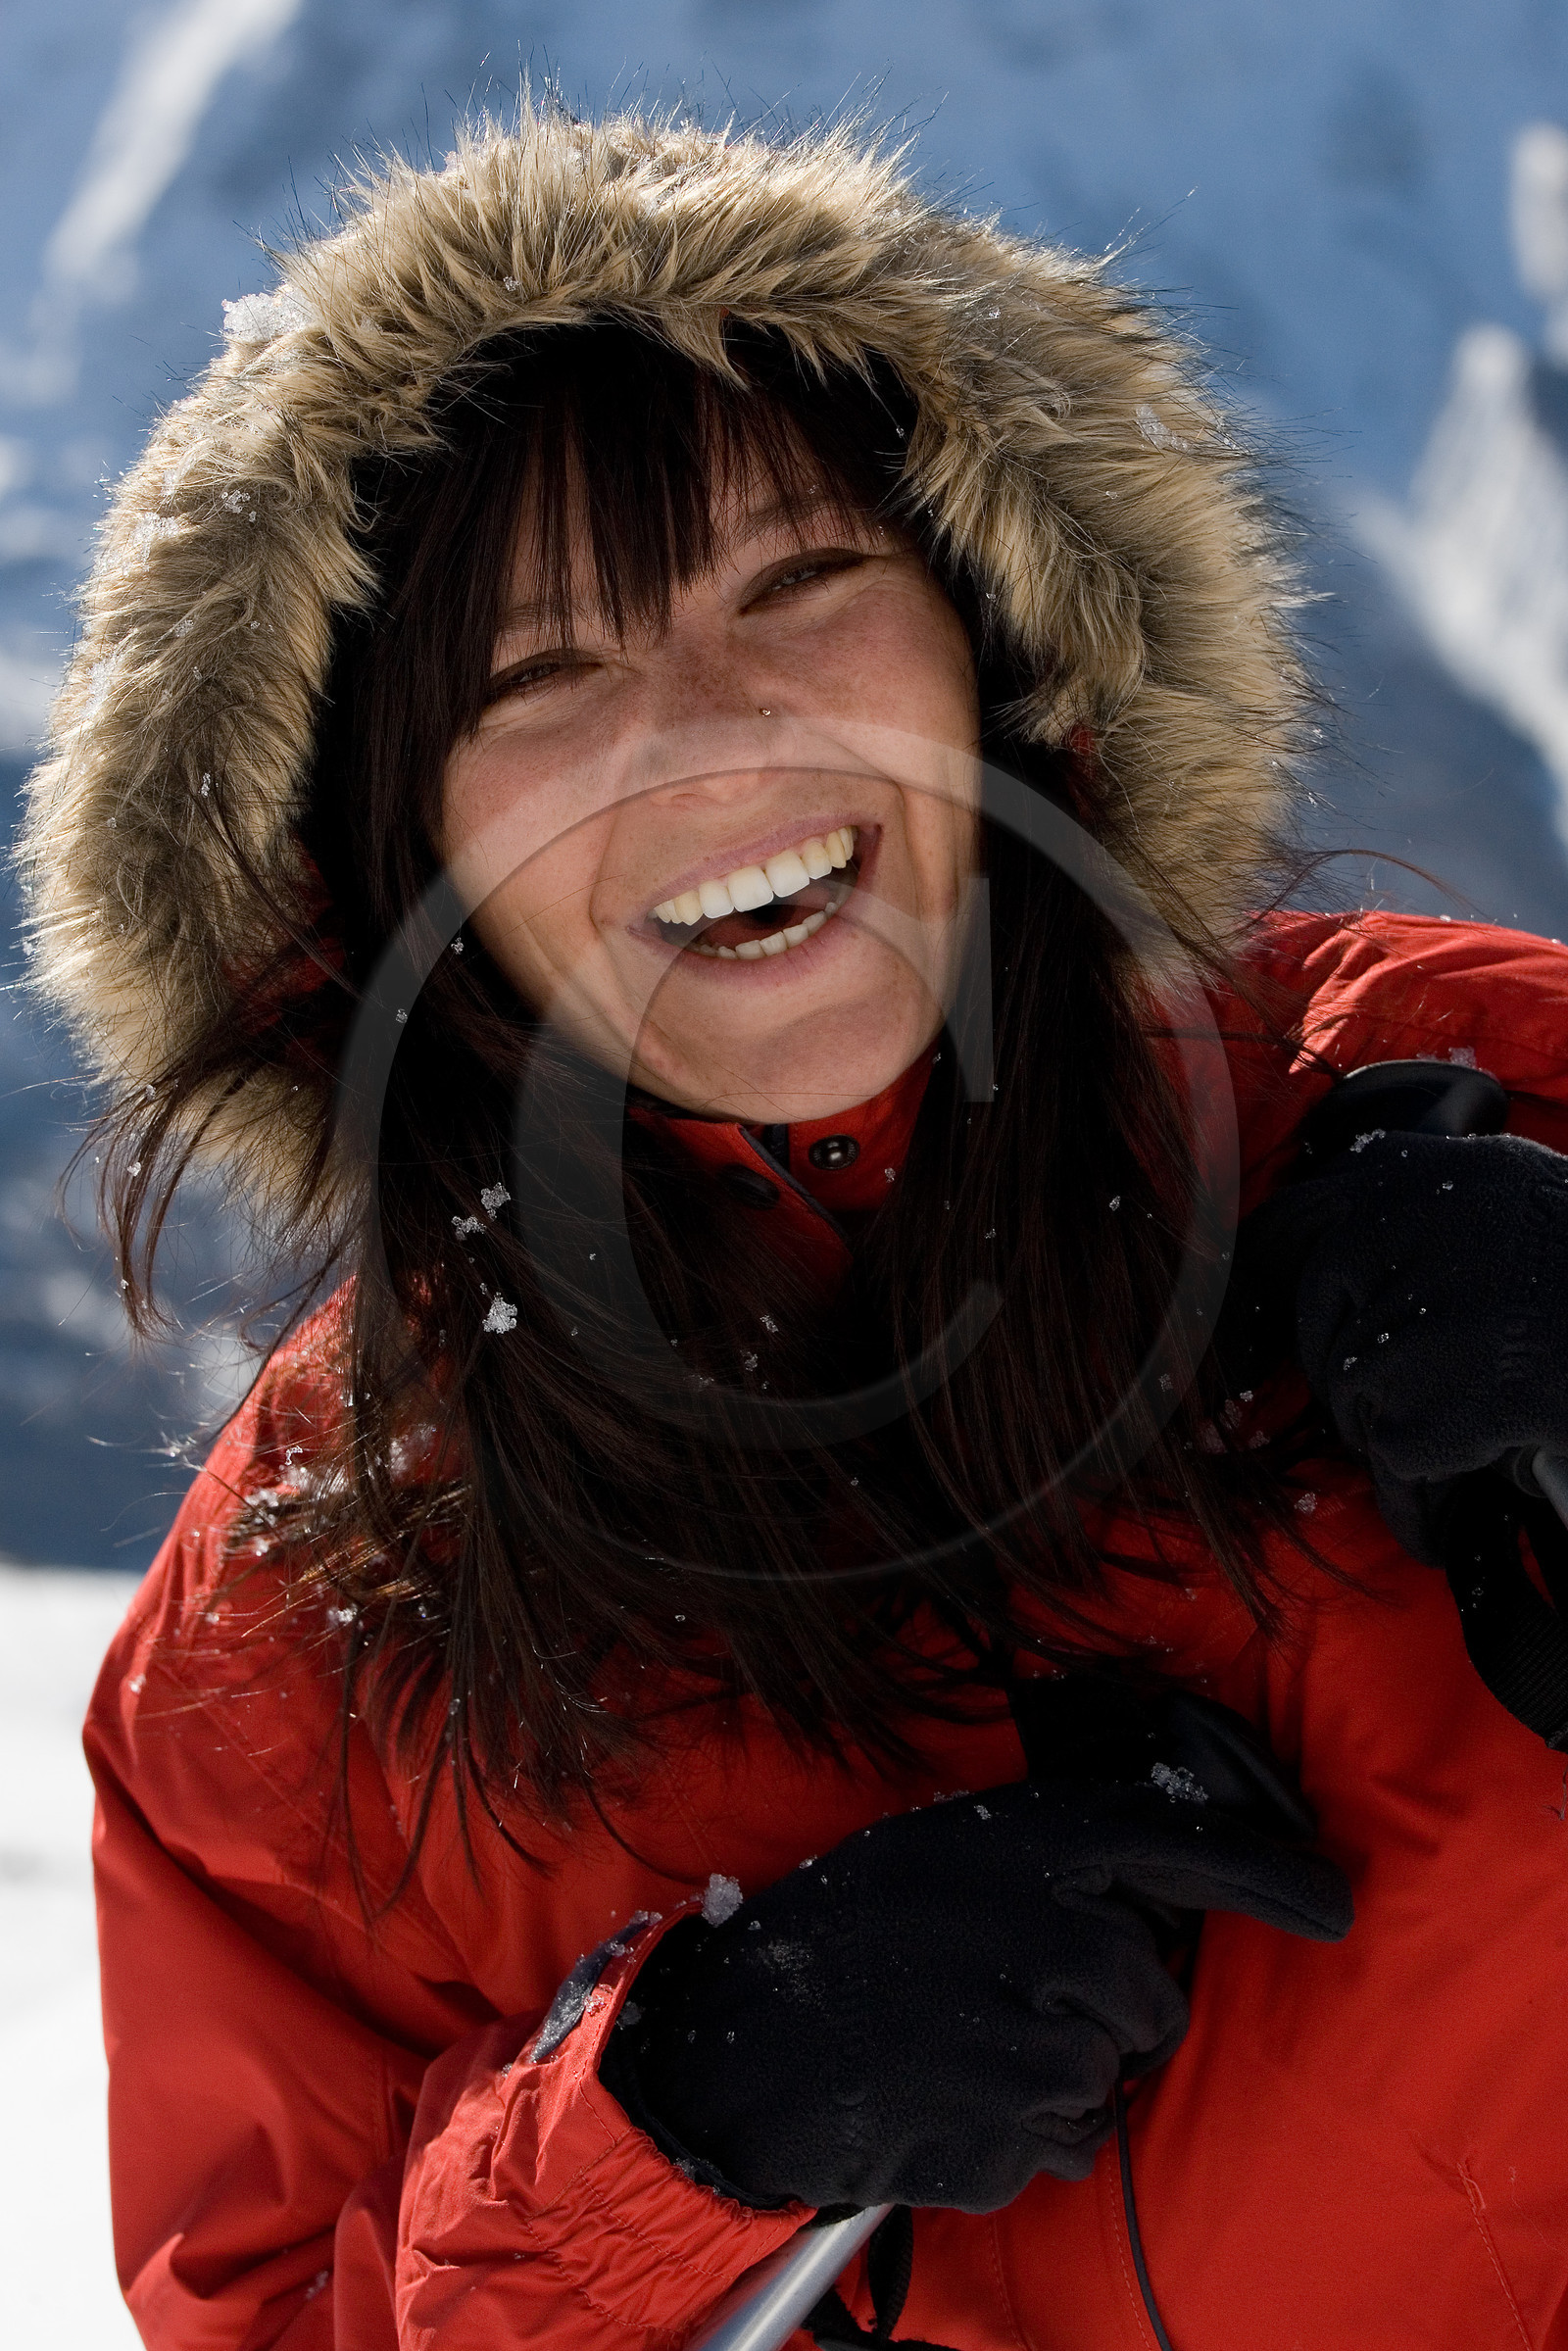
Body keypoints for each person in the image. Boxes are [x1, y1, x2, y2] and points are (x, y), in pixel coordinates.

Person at [23, 106, 1568, 2350]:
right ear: (377, 883)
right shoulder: (303, 1645)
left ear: (999, 655)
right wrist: (678, 2119)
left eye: (798, 580)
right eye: (533, 684)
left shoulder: (1485, 1098)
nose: (706, 730)